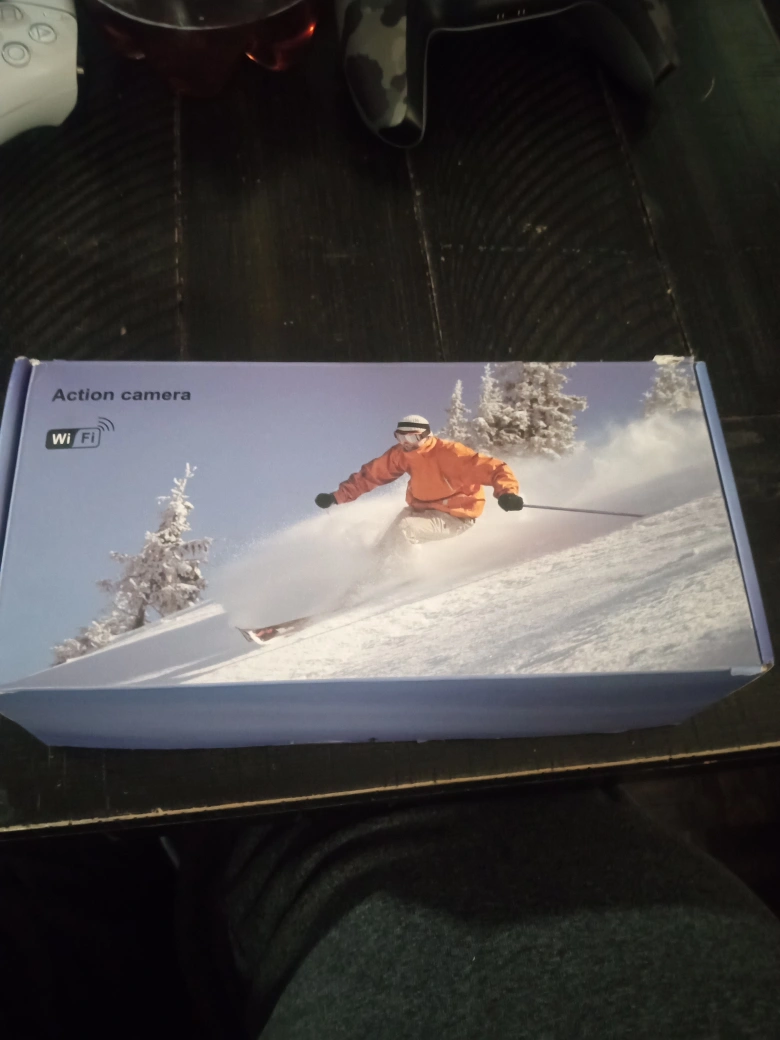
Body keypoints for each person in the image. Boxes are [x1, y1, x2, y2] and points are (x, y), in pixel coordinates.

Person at [314, 414, 524, 558]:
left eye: (412, 437)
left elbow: (495, 468)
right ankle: (364, 583)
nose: (406, 442)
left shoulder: (450, 453)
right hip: (420, 509)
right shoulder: (401, 454)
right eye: (400, 436)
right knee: (384, 546)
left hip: (456, 515)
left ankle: (397, 578)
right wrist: (336, 497)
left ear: (426, 436)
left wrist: (507, 493)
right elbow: (370, 476)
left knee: (404, 531)